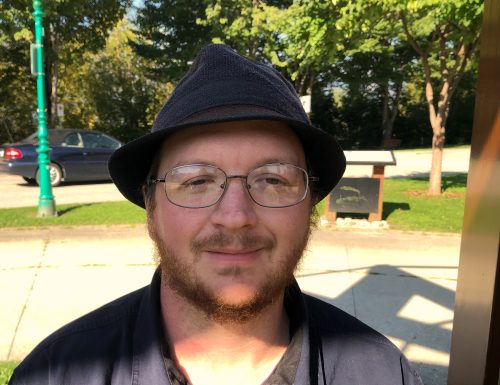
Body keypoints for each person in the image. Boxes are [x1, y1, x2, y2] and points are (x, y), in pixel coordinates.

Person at [9, 44, 422, 385]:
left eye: (273, 180)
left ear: (310, 206)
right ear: (151, 210)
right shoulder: (56, 373)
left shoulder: (382, 373)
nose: (235, 216)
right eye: (196, 181)